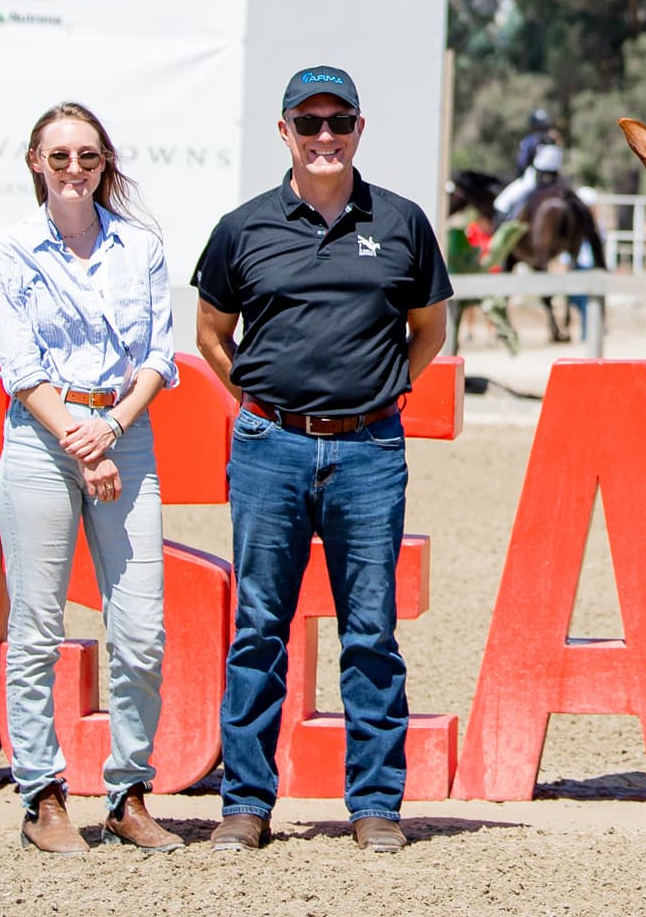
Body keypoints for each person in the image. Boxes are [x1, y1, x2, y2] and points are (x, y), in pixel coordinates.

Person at [195, 65, 453, 853]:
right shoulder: (242, 227)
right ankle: (245, 804)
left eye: (338, 120)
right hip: (268, 446)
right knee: (258, 628)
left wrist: (382, 392)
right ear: (284, 132)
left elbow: (430, 328)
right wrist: (261, 402)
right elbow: (210, 331)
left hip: (369, 450)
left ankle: (374, 804)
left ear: (359, 128)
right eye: (307, 122)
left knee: (369, 631)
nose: (324, 136)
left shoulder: (402, 222)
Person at [0, 101, 180, 855]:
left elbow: (158, 357)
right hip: (42, 439)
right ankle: (42, 796)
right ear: (36, 161)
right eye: (59, 155)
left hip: (124, 434)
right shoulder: (9, 250)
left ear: (105, 163)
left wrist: (112, 431)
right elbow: (21, 366)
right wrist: (82, 444)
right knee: (37, 628)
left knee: (141, 630)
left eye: (87, 156)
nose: (74, 169)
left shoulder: (142, 247)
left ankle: (128, 792)